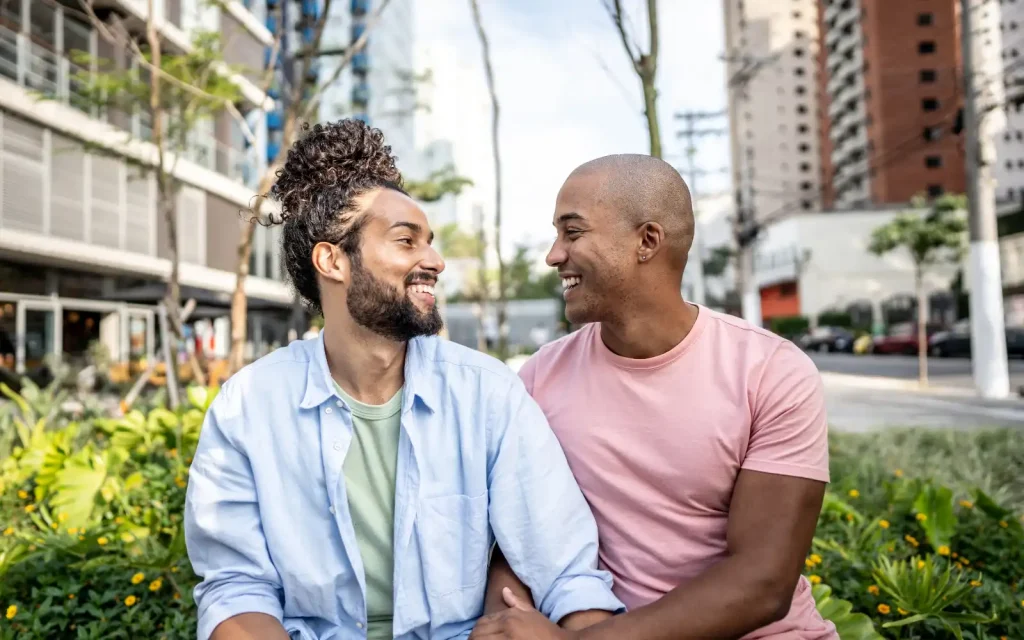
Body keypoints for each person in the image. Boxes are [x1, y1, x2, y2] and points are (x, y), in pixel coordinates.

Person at [184, 121, 623, 640]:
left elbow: (566, 573)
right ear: (332, 260)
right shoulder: (247, 407)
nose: (434, 262)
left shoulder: (487, 394)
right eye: (405, 241)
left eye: (430, 243)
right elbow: (236, 587)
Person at [472, 154, 836, 639]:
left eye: (573, 232)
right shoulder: (540, 377)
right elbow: (518, 536)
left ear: (646, 241)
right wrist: (504, 622)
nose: (553, 255)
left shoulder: (771, 372)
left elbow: (762, 583)